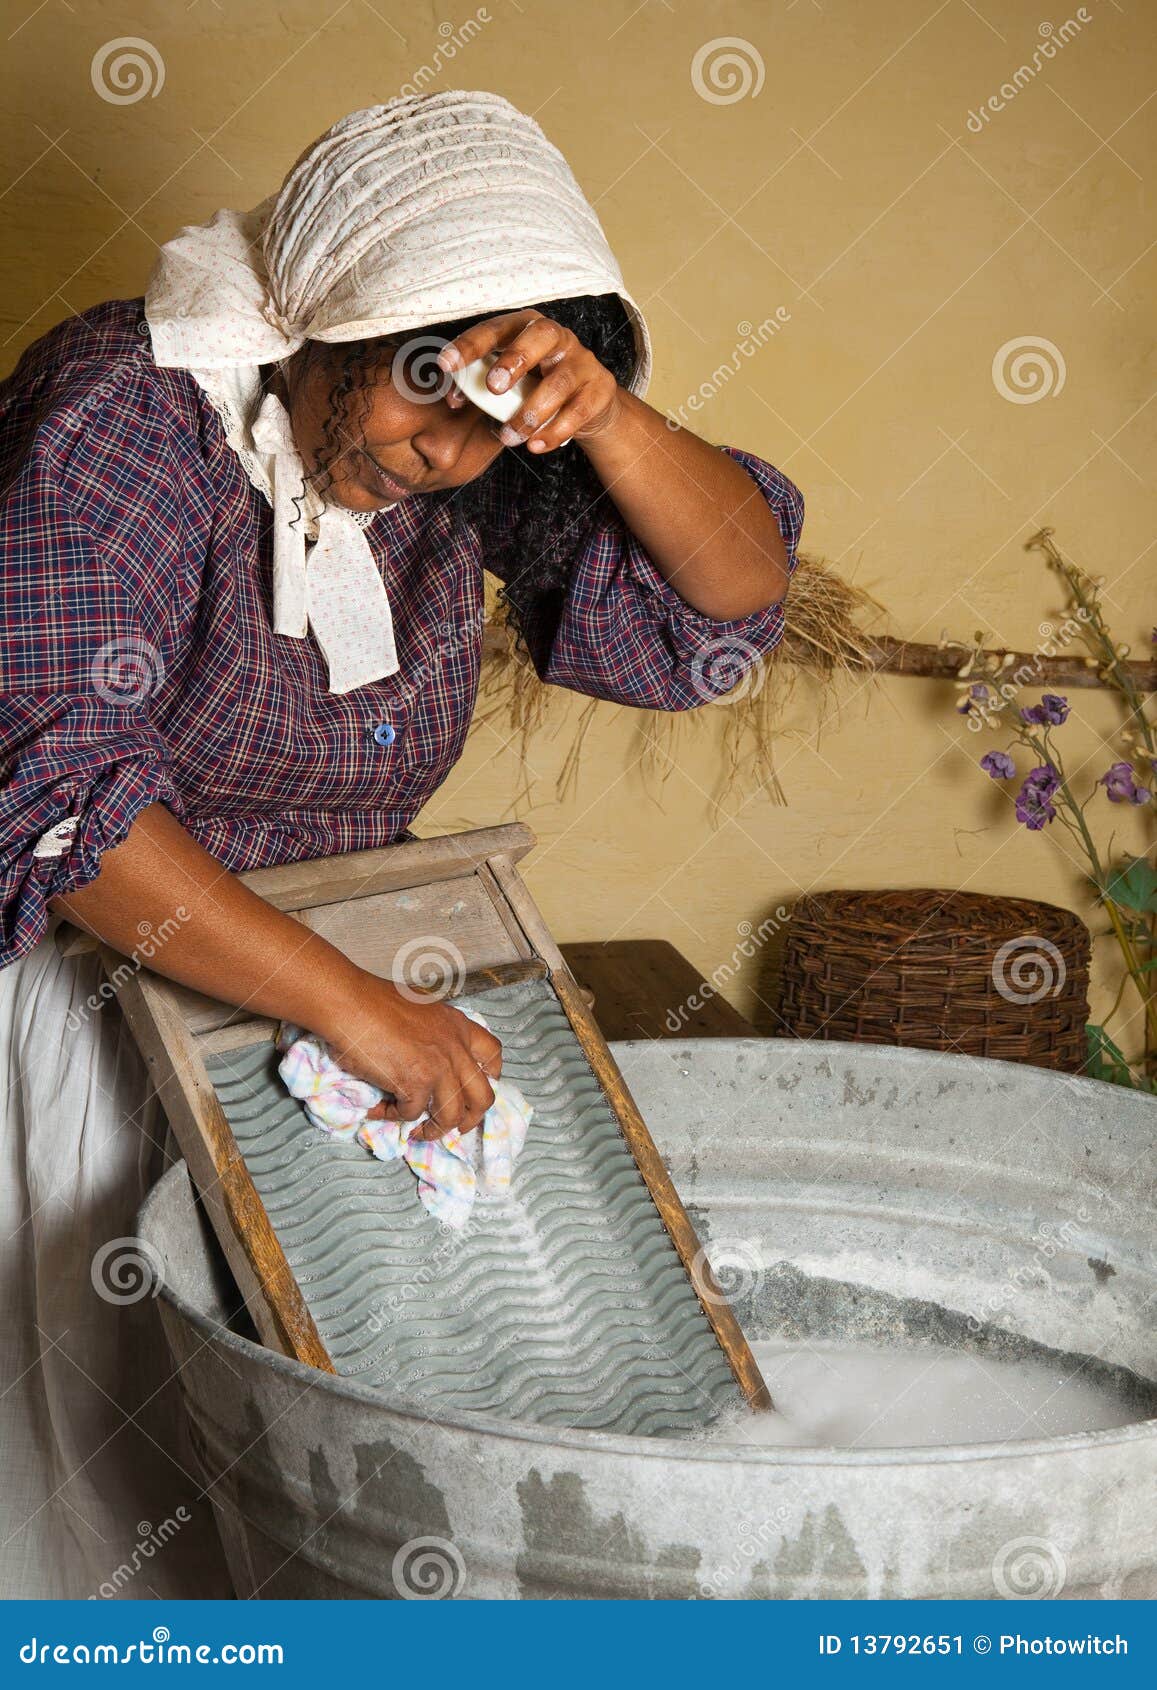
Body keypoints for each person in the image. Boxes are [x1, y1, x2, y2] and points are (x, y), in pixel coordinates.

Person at [0, 90, 804, 1597]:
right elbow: (60, 801)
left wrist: (601, 414)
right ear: (321, 321)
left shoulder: (472, 448)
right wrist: (354, 1006)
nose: (443, 456)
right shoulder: (135, 406)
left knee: (290, 1456)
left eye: (483, 424)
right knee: (104, 1467)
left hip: (320, 1015)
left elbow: (728, 596)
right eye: (417, 394)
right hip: (97, 1000)